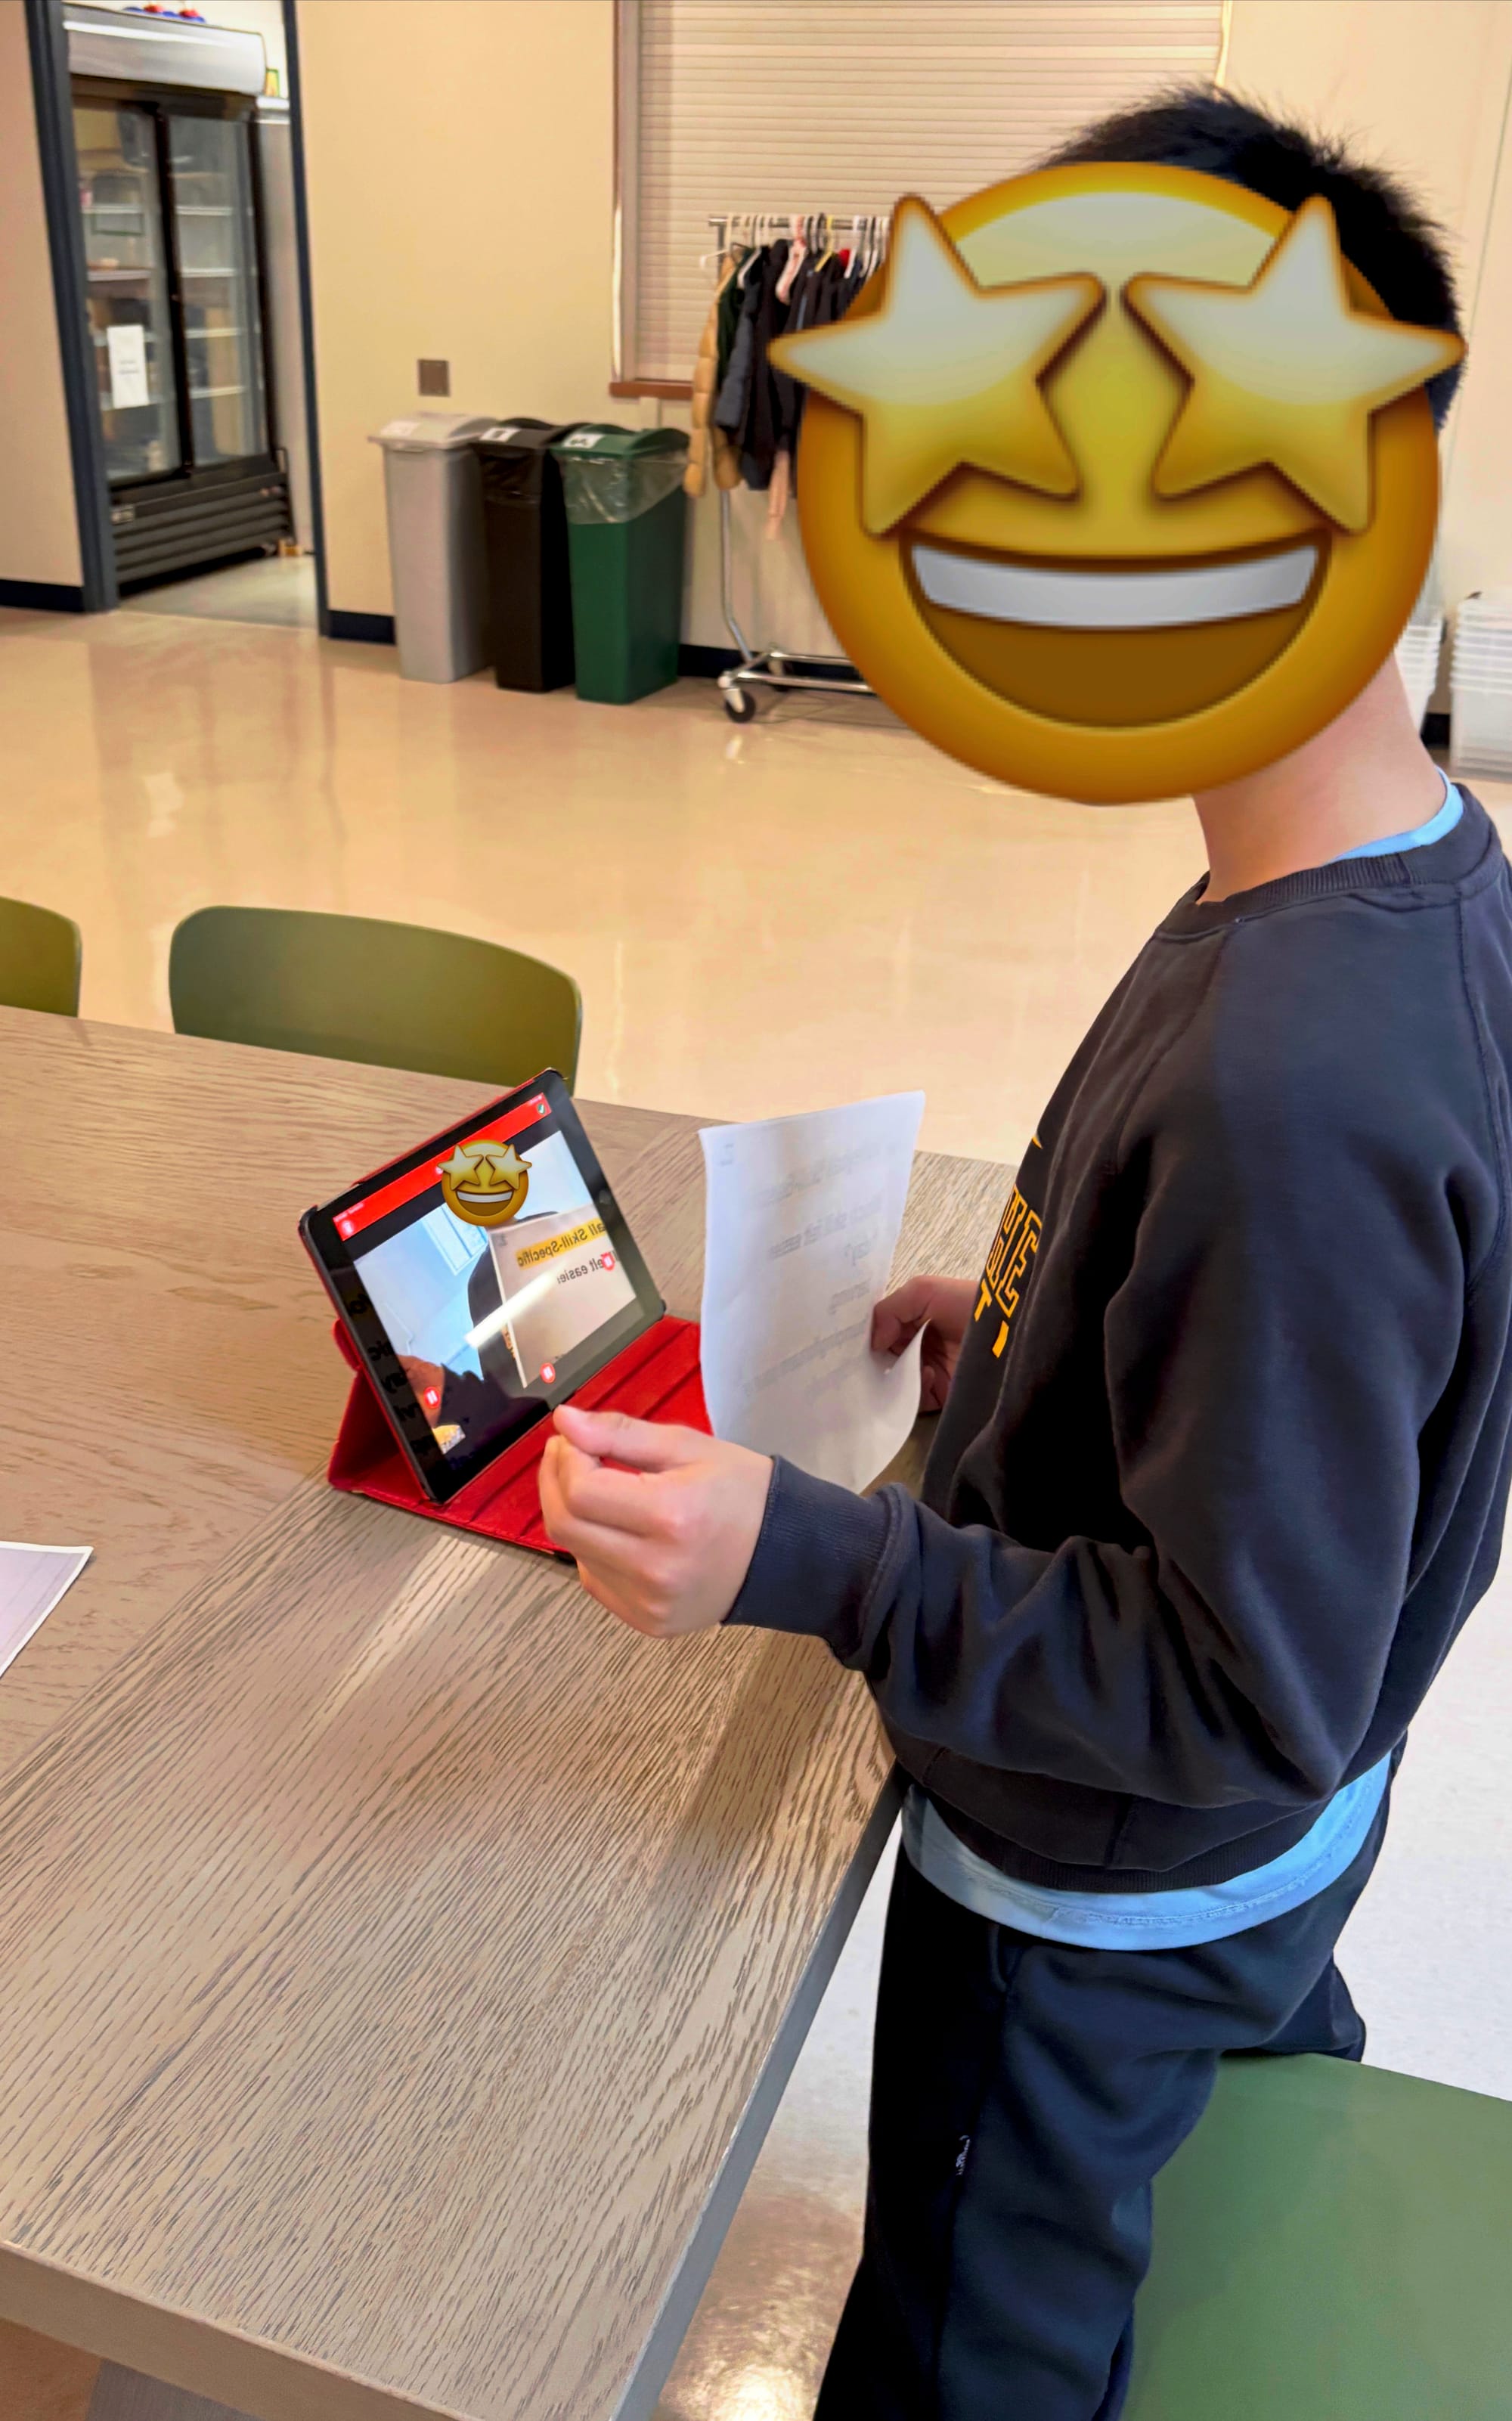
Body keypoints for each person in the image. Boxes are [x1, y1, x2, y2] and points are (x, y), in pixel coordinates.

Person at [538, 90, 1511, 2421]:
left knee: (969, 2343)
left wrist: (814, 1555)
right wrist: (1011, 1328)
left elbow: (1231, 1681)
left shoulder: (1297, 1073)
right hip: (1273, 1852)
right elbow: (1308, 1391)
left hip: (1097, 1899)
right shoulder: (1400, 880)